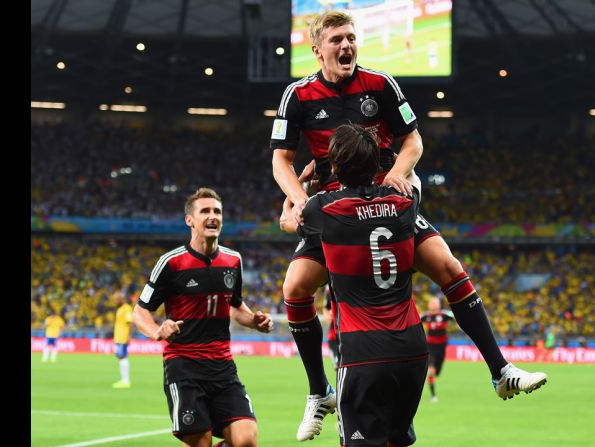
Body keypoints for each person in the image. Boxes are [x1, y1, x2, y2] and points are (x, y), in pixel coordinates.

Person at [270, 10, 547, 441]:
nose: (347, 46)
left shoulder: (380, 84)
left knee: (449, 266)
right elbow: (281, 160)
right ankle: (317, 392)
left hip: (384, 201)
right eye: (337, 40)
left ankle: (500, 369)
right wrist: (303, 202)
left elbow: (413, 139)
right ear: (317, 48)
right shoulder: (297, 95)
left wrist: (399, 171)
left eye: (351, 38)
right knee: (294, 289)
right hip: (334, 210)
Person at [282, 123, 426, 446]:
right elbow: (413, 178)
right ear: (378, 165)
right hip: (412, 350)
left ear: (333, 167)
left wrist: (299, 187)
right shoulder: (405, 202)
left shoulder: (325, 210)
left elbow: (288, 219)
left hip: (363, 355)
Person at [132, 187, 274, 447]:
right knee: (201, 441)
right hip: (183, 367)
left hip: (222, 367)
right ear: (190, 220)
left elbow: (235, 306)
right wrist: (157, 331)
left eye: (217, 211)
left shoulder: (233, 260)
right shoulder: (171, 263)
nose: (213, 216)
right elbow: (140, 311)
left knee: (246, 440)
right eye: (205, 211)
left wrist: (255, 321)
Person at [419, 296, 455, 403]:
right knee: (431, 371)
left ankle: (435, 375)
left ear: (439, 304)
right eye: (432, 303)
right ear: (429, 305)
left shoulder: (445, 315)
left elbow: (458, 317)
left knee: (437, 372)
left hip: (441, 347)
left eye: (435, 303)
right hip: (430, 347)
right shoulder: (425, 316)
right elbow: (414, 322)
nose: (434, 305)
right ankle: (433, 396)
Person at [112, 290, 134, 388]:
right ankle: (124, 380)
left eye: (116, 299)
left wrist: (128, 336)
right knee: (121, 357)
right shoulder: (120, 309)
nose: (115, 301)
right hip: (118, 337)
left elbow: (129, 322)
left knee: (123, 357)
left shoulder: (127, 308)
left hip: (123, 337)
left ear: (121, 299)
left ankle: (125, 381)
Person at [322, 287, 340, 369]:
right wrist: (327, 315)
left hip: (348, 323)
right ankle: (336, 360)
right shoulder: (328, 288)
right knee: (332, 338)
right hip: (335, 324)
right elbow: (325, 307)